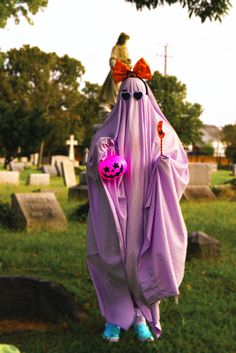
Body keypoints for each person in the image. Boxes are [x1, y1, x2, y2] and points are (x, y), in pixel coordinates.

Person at [86, 58, 189, 342]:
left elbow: (180, 166)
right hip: (115, 211)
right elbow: (94, 169)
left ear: (147, 97)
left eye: (138, 96)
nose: (132, 102)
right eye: (126, 96)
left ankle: (142, 313)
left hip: (147, 208)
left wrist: (165, 166)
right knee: (114, 258)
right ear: (119, 100)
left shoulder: (162, 132)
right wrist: (102, 155)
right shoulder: (107, 133)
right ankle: (115, 318)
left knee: (141, 259)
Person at [99, 32, 131, 119]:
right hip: (117, 71)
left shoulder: (125, 49)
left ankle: (119, 107)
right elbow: (113, 58)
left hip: (124, 72)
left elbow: (127, 60)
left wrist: (128, 64)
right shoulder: (116, 48)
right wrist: (115, 66)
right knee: (114, 88)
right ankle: (110, 104)